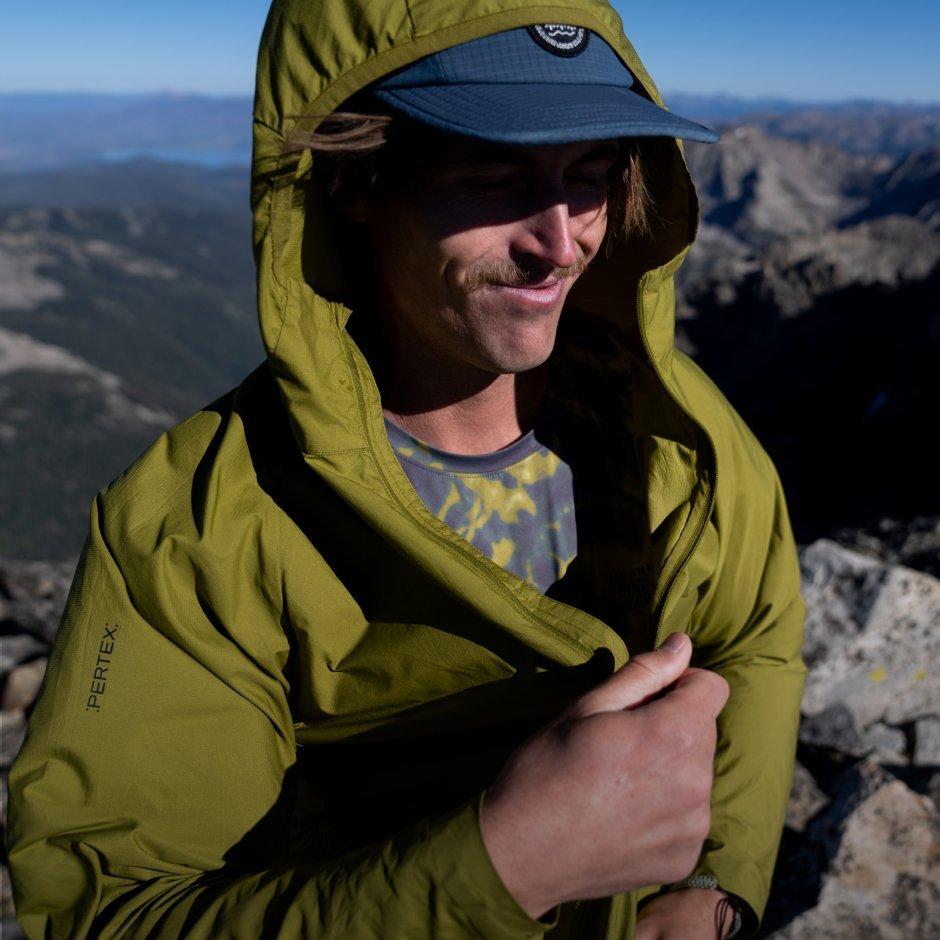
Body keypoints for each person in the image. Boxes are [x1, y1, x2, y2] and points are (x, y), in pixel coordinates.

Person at [6, 2, 807, 938]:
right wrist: (500, 867)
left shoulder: (673, 430)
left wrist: (711, 889)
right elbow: (111, 911)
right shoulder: (198, 526)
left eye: (589, 178)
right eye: (495, 179)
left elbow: (756, 635)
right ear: (354, 178)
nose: (561, 242)